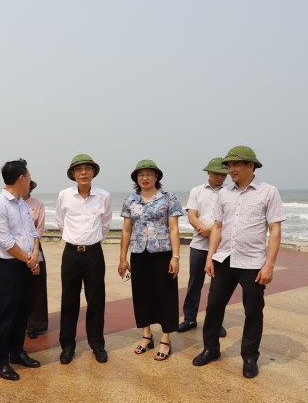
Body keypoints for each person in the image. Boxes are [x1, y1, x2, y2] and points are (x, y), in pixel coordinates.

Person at [192, 146, 286, 379]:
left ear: (251, 166)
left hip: (253, 262)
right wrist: (210, 257)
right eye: (228, 165)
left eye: (235, 165)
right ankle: (211, 349)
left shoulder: (268, 192)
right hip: (224, 258)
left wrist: (269, 265)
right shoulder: (224, 194)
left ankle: (250, 357)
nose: (230, 169)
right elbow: (217, 226)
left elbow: (274, 229)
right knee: (214, 306)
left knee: (253, 310)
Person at [118, 160, 183, 361]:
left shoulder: (169, 198)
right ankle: (146, 335)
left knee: (166, 294)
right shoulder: (130, 201)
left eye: (149, 174)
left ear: (156, 177)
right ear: (136, 179)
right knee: (141, 294)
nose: (145, 178)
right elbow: (126, 230)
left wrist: (176, 257)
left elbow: (174, 229)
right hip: (139, 254)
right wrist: (123, 258)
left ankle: (165, 338)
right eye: (141, 175)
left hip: (163, 253)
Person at [0, 158, 42, 381]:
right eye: (29, 177)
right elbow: (6, 242)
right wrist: (30, 261)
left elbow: (33, 232)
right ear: (21, 178)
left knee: (23, 313)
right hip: (9, 268)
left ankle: (17, 352)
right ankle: (0, 361)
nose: (30, 180)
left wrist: (35, 254)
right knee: (7, 316)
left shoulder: (21, 203)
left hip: (27, 264)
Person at [56, 154, 111, 364]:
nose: (83, 173)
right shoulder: (64, 196)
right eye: (79, 169)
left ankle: (97, 344)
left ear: (93, 172)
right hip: (71, 254)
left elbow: (105, 225)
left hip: (94, 254)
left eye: (87, 168)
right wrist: (76, 240)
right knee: (69, 301)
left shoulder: (104, 196)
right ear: (73, 174)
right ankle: (67, 346)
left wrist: (91, 242)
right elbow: (61, 222)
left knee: (96, 300)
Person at [179, 158, 229, 338]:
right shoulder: (197, 191)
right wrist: (205, 230)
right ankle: (189, 319)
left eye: (223, 174)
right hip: (199, 245)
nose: (219, 177)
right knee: (195, 283)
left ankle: (215, 322)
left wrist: (212, 230)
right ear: (208, 173)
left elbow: (229, 218)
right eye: (216, 173)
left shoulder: (230, 192)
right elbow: (192, 215)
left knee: (219, 288)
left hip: (221, 247)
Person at [24, 180, 49, 339]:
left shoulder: (37, 204)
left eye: (29, 185)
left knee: (37, 284)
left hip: (35, 246)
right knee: (19, 286)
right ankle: (20, 322)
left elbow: (39, 228)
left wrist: (34, 251)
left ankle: (36, 325)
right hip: (17, 248)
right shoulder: (12, 203)